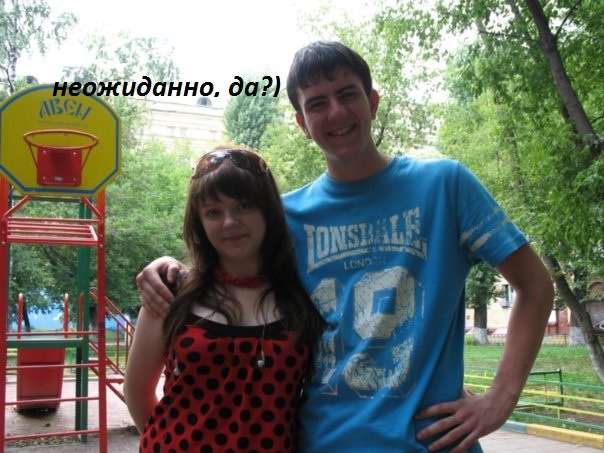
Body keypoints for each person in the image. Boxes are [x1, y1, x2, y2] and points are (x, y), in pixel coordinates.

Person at [136, 41, 554, 452]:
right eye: (317, 103)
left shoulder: (445, 186)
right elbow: (227, 271)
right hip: (322, 442)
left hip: (431, 442)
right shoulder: (285, 217)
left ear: (372, 102)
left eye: (347, 94)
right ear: (302, 123)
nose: (336, 112)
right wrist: (169, 269)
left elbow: (534, 285)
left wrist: (500, 399)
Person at [124, 146, 327, 452]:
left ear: (267, 210)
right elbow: (138, 392)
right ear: (199, 222)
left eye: (243, 206)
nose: (229, 222)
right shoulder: (170, 292)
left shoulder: (302, 292)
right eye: (213, 212)